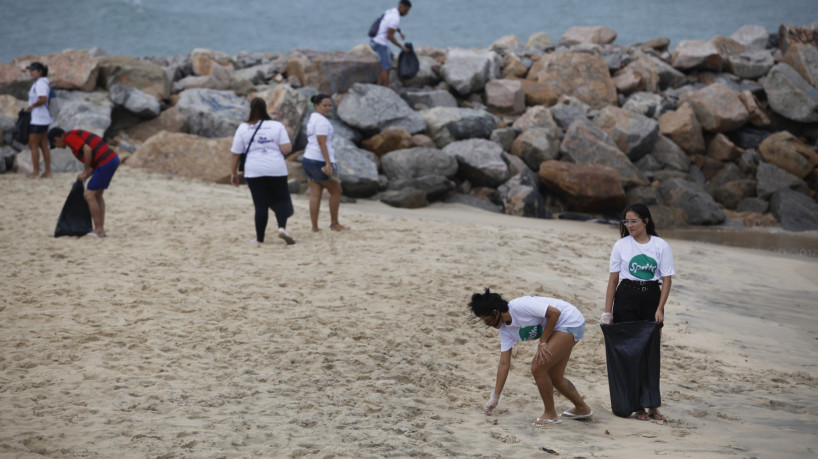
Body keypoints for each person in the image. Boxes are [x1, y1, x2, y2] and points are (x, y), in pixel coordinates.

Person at [469, 288, 593, 426]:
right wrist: (495, 397)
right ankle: (582, 408)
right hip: (559, 327)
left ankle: (550, 413)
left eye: (487, 321)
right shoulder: (504, 330)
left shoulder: (519, 306)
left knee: (538, 367)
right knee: (555, 376)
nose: (487, 325)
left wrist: (543, 341)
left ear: (495, 312)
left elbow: (554, 313)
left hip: (569, 320)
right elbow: (504, 363)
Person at [601, 203, 675, 421]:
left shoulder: (661, 246)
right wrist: (607, 312)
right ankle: (636, 407)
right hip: (626, 297)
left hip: (651, 297)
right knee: (628, 352)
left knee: (650, 354)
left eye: (634, 221)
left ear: (646, 221)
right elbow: (613, 280)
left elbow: (667, 279)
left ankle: (652, 406)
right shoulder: (621, 245)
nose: (629, 225)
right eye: (626, 221)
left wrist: (660, 308)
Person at [230, 97, 295, 245]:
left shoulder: (243, 128)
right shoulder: (276, 126)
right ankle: (282, 228)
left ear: (250, 109)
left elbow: (236, 154)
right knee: (281, 199)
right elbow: (287, 149)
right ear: (265, 108)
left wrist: (233, 173)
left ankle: (260, 239)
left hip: (254, 170)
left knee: (260, 205)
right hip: (276, 168)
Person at [47, 127, 120, 238]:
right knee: (97, 195)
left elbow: (87, 150)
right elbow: (94, 161)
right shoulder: (72, 139)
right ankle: (101, 230)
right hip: (111, 159)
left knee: (89, 195)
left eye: (55, 144)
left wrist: (85, 172)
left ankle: (98, 229)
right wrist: (85, 176)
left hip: (106, 161)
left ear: (57, 138)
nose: (58, 147)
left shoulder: (68, 137)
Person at [302, 94, 346, 232]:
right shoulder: (321, 121)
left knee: (316, 192)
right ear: (317, 106)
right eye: (325, 105)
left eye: (329, 105)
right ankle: (334, 224)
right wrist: (328, 163)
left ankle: (315, 227)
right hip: (318, 160)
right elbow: (322, 143)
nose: (328, 108)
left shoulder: (313, 118)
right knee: (336, 190)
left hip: (309, 158)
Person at [370, 0, 412, 86]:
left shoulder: (391, 11)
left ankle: (379, 85)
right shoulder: (395, 18)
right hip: (380, 43)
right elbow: (389, 36)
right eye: (406, 10)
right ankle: (386, 89)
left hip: (374, 39)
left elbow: (390, 24)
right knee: (387, 67)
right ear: (401, 7)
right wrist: (401, 47)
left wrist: (399, 32)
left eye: (408, 11)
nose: (407, 13)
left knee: (390, 56)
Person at [25, 62, 53, 178]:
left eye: (33, 70)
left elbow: (43, 99)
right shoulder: (43, 82)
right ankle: (47, 171)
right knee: (43, 144)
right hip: (44, 118)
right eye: (30, 70)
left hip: (38, 119)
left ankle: (36, 171)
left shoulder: (40, 84)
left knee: (33, 145)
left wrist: (31, 106)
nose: (30, 72)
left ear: (40, 72)